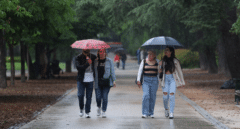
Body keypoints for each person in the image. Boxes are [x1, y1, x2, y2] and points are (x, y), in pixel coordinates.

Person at [159, 46, 185, 119]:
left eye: (167, 50)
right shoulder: (162, 61)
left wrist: (182, 82)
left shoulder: (175, 61)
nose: (165, 52)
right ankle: (166, 109)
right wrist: (160, 65)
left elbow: (179, 71)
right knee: (165, 97)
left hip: (172, 79)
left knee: (171, 96)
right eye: (165, 50)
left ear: (171, 52)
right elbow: (159, 72)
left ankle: (171, 112)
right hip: (165, 80)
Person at [94, 49, 116, 118]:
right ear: (98, 53)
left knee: (105, 97)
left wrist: (114, 80)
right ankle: (98, 107)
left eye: (103, 51)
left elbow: (112, 71)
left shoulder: (109, 61)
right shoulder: (95, 61)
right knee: (98, 97)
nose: (102, 53)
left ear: (105, 53)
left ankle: (103, 111)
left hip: (106, 82)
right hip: (97, 82)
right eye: (100, 51)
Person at [137, 50, 159, 118]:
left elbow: (160, 72)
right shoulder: (144, 61)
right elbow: (140, 71)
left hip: (154, 80)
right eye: (149, 54)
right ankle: (145, 112)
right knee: (146, 95)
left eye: (151, 55)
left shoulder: (157, 62)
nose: (150, 56)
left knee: (152, 96)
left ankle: (151, 112)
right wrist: (138, 80)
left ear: (154, 55)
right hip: (146, 80)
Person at [75, 49, 97, 118]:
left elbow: (97, 65)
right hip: (81, 79)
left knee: (89, 96)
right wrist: (87, 64)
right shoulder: (78, 57)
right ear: (82, 50)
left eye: (87, 51)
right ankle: (81, 109)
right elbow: (78, 68)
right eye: (85, 51)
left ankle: (87, 112)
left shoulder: (93, 57)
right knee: (80, 95)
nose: (86, 52)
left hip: (90, 79)